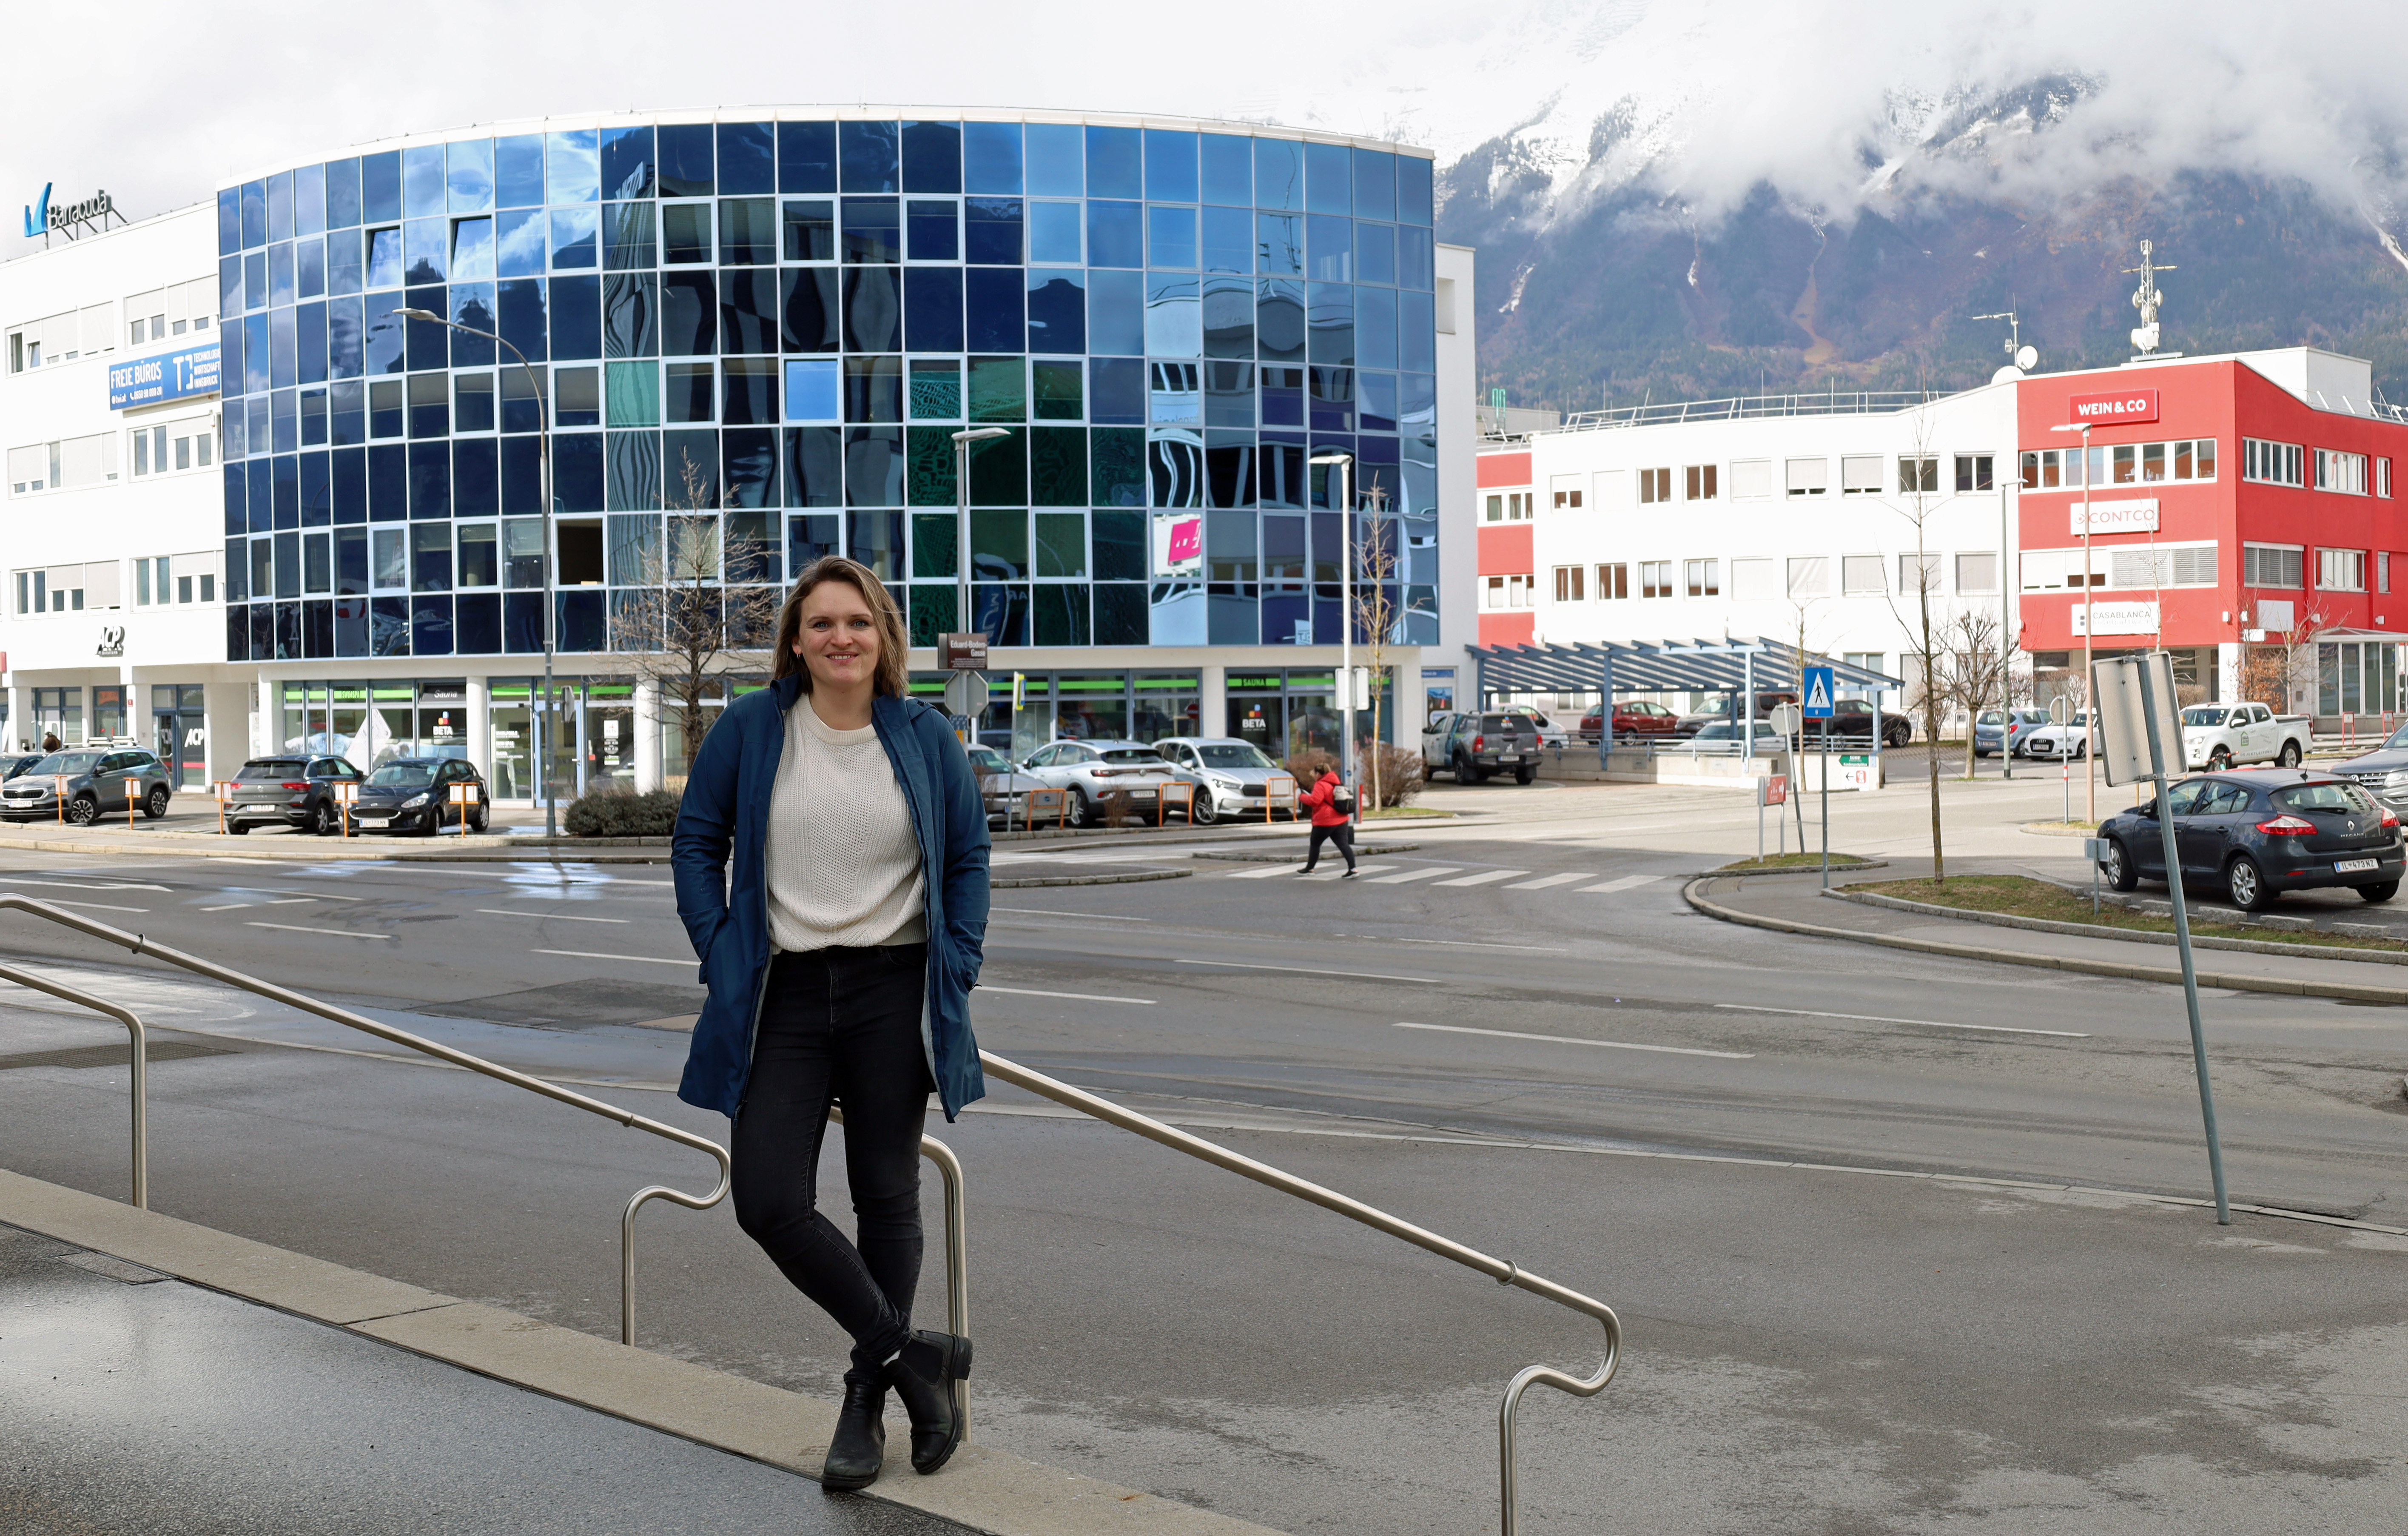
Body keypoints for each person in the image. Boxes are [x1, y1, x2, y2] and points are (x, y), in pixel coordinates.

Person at [672, 556, 989, 1492]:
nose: (840, 637)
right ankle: (911, 1355)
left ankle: (868, 1394)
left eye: (857, 621)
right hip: (784, 992)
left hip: (894, 986)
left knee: (885, 1192)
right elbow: (698, 838)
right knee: (768, 1197)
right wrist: (718, 942)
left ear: (883, 635)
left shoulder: (924, 734)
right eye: (821, 624)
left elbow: (968, 855)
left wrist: (958, 959)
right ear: (796, 640)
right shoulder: (752, 727)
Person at [1297, 766, 1357, 876]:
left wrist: (1301, 797)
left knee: (1315, 844)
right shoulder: (1337, 782)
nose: (1314, 777)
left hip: (1325, 821)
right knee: (1344, 845)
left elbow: (1315, 801)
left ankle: (1310, 869)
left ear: (1318, 774)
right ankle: (1353, 869)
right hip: (1341, 819)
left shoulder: (1320, 784)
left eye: (1314, 774)